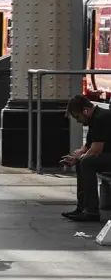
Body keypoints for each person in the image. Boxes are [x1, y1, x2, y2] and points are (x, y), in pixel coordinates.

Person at [60, 94, 111, 222]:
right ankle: (82, 207)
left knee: (86, 162)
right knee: (83, 161)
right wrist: (75, 157)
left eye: (77, 117)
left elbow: (95, 150)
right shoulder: (94, 118)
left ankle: (92, 211)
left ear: (85, 111)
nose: (77, 121)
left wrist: (80, 158)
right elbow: (87, 146)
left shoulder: (101, 118)